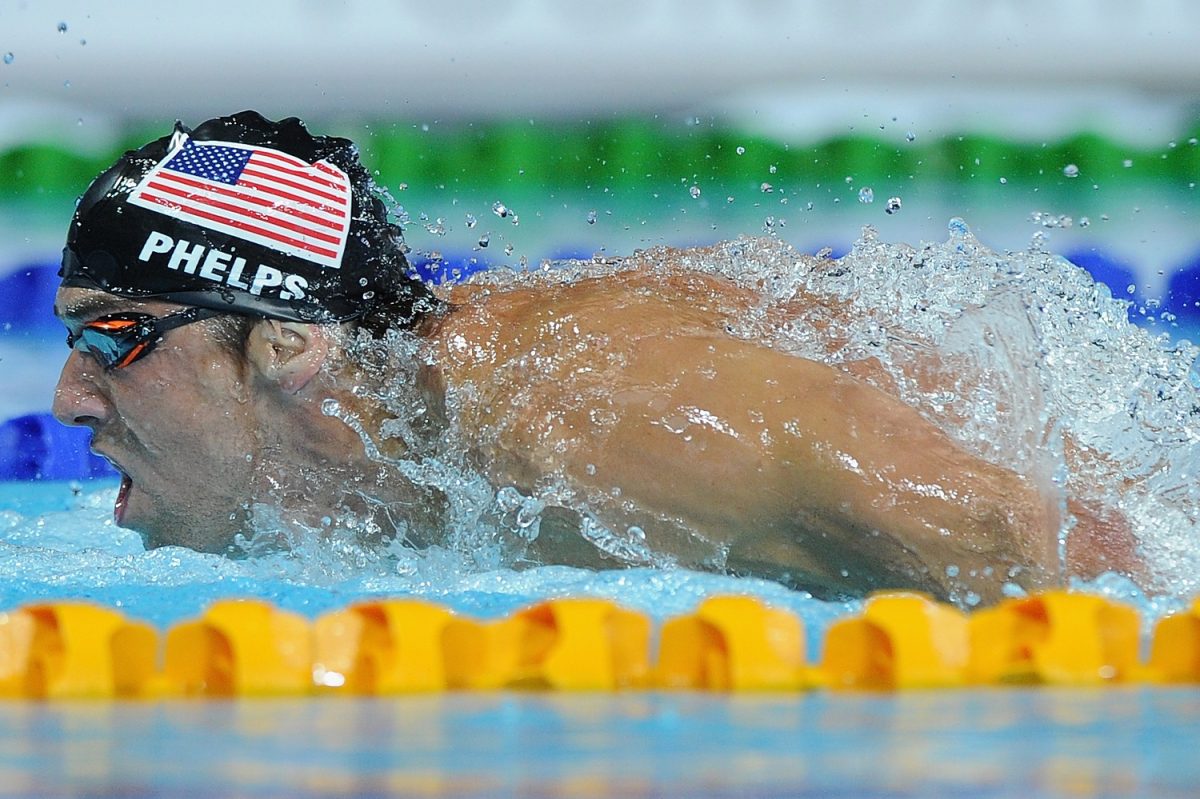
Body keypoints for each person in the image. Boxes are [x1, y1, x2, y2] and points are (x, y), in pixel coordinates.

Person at [52, 111, 1121, 604]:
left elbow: (1015, 533)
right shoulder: (394, 459)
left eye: (114, 335)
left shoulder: (584, 422)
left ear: (287, 342)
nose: (65, 398)